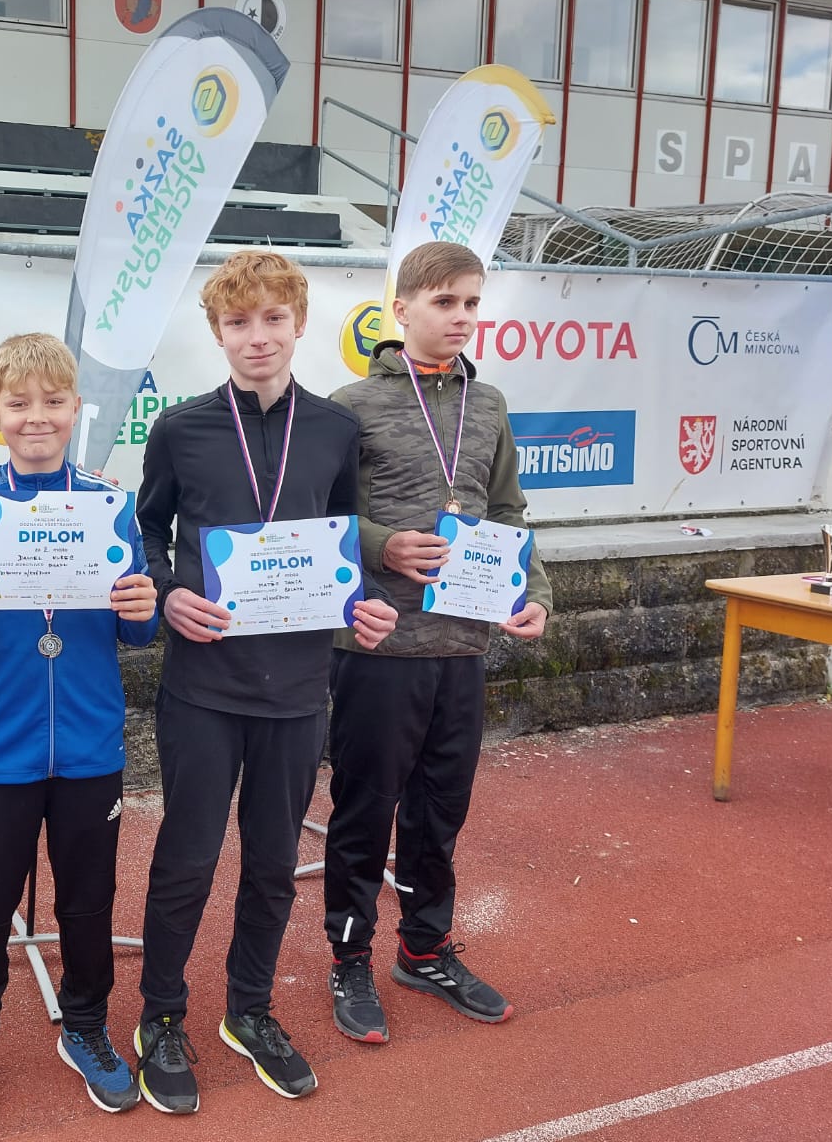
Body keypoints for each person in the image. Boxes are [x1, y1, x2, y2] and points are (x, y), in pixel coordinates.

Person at [133, 251, 398, 1113]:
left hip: (297, 688)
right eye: (239, 323)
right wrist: (166, 593)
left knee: (275, 865)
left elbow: (341, 538)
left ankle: (248, 1010)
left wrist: (364, 603)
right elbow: (146, 531)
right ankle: (160, 1016)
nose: (258, 337)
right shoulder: (180, 428)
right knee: (187, 860)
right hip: (204, 687)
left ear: (299, 323)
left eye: (273, 319)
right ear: (217, 332)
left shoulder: (333, 429)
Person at [0, 333, 159, 1142]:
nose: (36, 417)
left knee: (89, 904)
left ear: (76, 409)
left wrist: (143, 611)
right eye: (18, 403)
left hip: (89, 748)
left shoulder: (109, 505)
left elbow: (136, 629)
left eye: (53, 402)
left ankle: (85, 1028)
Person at [323, 240, 551, 1047]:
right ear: (402, 309)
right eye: (444, 302)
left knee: (440, 812)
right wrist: (382, 544)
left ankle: (423, 948)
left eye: (472, 303)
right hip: (379, 646)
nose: (461, 317)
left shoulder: (488, 405)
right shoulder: (350, 406)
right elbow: (321, 517)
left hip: (463, 645)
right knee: (364, 811)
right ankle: (349, 958)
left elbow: (509, 512)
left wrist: (536, 593)